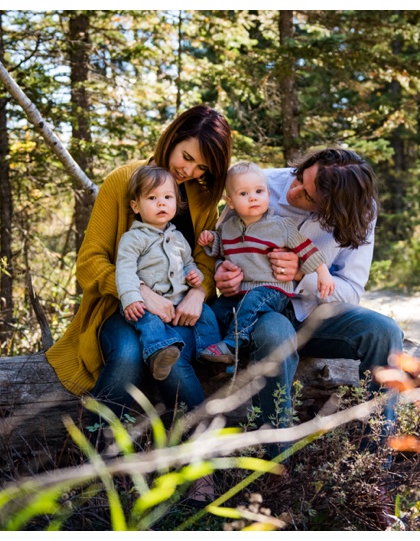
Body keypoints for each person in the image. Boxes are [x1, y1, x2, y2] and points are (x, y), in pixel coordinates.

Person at [46, 105, 232, 425]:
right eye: (186, 157)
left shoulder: (201, 198)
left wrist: (198, 292)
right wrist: (141, 292)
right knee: (128, 356)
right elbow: (90, 263)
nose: (190, 171)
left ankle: (200, 463)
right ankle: (99, 455)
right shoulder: (124, 181)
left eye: (202, 167)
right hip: (122, 307)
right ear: (173, 138)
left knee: (173, 362)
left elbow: (205, 259)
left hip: (180, 311)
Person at [211, 148, 404, 453]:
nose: (293, 191)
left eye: (308, 195)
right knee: (276, 335)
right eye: (300, 177)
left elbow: (351, 290)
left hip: (313, 314)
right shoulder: (259, 182)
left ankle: (376, 459)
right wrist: (220, 272)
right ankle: (275, 464)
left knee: (385, 332)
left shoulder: (360, 210)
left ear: (333, 210)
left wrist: (303, 273)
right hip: (258, 309)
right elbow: (220, 244)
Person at [196, 161, 334, 363]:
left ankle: (232, 345)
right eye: (243, 194)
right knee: (214, 310)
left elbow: (306, 249)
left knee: (253, 300)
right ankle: (210, 355)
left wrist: (323, 272)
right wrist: (210, 239)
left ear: (268, 195)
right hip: (239, 292)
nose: (253, 197)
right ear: (231, 202)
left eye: (259, 191)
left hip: (272, 289)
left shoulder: (280, 226)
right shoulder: (228, 228)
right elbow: (221, 249)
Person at [116, 165, 221, 381]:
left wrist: (194, 275)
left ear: (176, 203)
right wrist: (130, 298)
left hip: (177, 300)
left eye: (167, 197)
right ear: (136, 206)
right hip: (145, 302)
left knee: (207, 314)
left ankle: (212, 356)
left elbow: (188, 262)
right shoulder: (133, 238)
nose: (161, 202)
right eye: (152, 198)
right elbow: (124, 270)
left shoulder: (178, 237)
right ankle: (158, 354)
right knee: (148, 322)